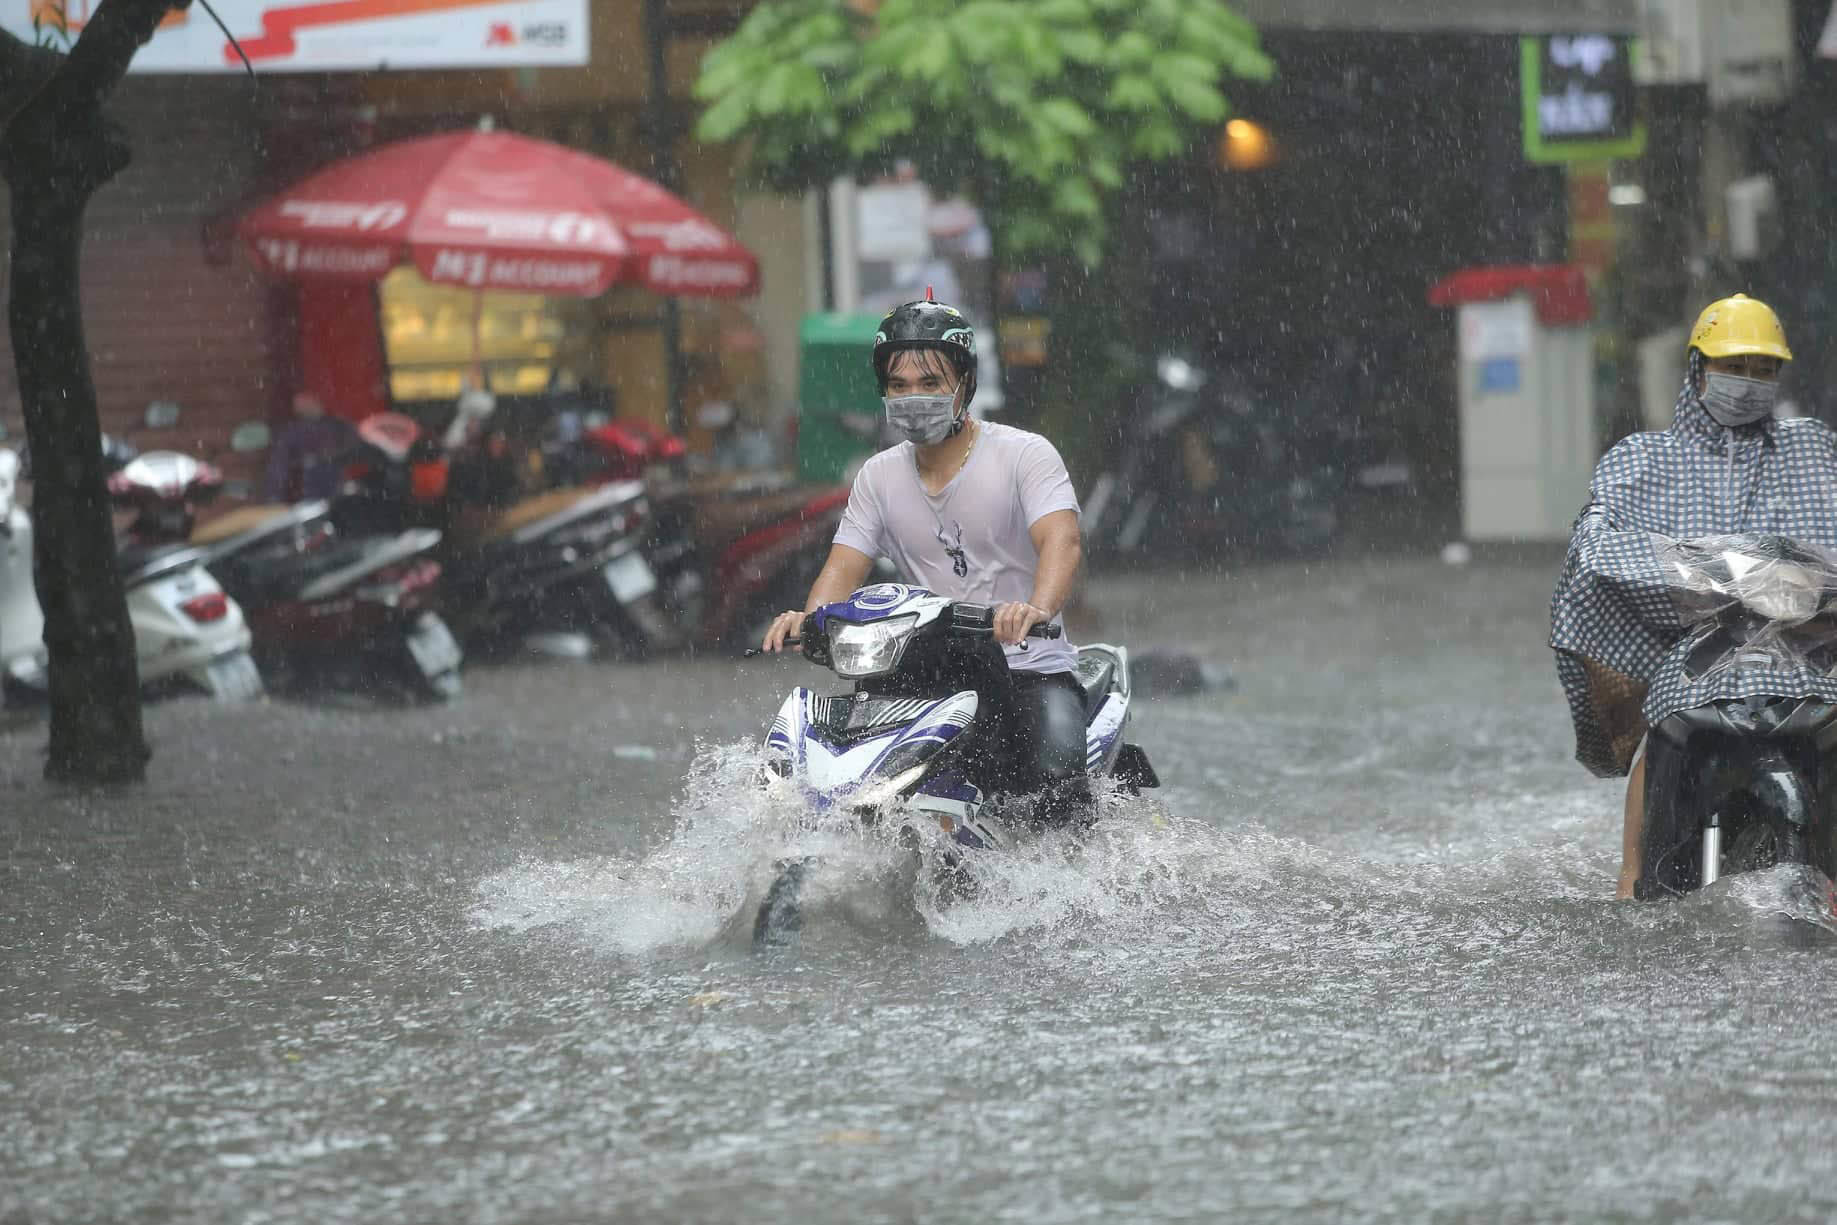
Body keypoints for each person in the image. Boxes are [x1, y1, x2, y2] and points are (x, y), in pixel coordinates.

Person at [1549, 293, 1837, 898]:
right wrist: (1685, 570)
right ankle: (1633, 878)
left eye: (1764, 370)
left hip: (1808, 649)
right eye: (1735, 367)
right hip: (1695, 652)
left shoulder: (1812, 450)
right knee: (1662, 735)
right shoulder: (1643, 461)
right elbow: (1597, 538)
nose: (1749, 382)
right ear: (1698, 369)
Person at [761, 295, 1087, 822]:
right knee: (826, 780)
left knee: (1055, 785)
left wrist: (1034, 610)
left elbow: (1062, 541)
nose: (913, 397)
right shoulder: (878, 476)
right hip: (922, 664)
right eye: (899, 386)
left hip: (1028, 665)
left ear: (964, 385)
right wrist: (811, 619)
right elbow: (844, 566)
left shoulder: (1025, 454)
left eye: (930, 383)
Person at [263, 392, 353, 503]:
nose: (309, 406)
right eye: (302, 405)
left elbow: (354, 449)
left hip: (337, 491)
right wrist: (274, 497)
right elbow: (278, 467)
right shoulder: (292, 432)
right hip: (310, 494)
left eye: (310, 402)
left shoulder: (337, 426)